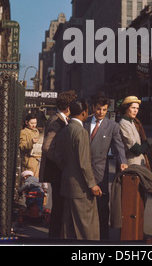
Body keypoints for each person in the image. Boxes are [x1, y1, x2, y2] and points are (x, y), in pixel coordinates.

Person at [55, 99, 102, 240]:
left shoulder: (64, 130)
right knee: (87, 228)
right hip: (81, 188)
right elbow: (84, 162)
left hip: (67, 184)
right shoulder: (81, 132)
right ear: (84, 112)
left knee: (67, 228)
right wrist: (92, 184)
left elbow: (58, 157)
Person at [83, 95, 128, 239]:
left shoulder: (112, 126)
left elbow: (119, 146)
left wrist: (123, 161)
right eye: (98, 109)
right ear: (93, 108)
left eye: (104, 110)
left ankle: (103, 238)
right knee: (84, 204)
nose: (101, 112)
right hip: (82, 169)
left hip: (101, 170)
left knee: (102, 206)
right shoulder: (84, 122)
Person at [39, 90, 77, 238]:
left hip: (57, 171)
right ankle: (54, 238)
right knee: (59, 207)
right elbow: (47, 147)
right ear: (68, 107)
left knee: (60, 206)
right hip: (57, 172)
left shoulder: (60, 119)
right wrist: (62, 163)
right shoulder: (57, 121)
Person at [118, 96, 151, 168]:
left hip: (140, 162)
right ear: (126, 108)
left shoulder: (133, 122)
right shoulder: (124, 123)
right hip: (132, 163)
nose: (136, 111)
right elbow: (136, 149)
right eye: (133, 108)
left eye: (137, 108)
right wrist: (146, 145)